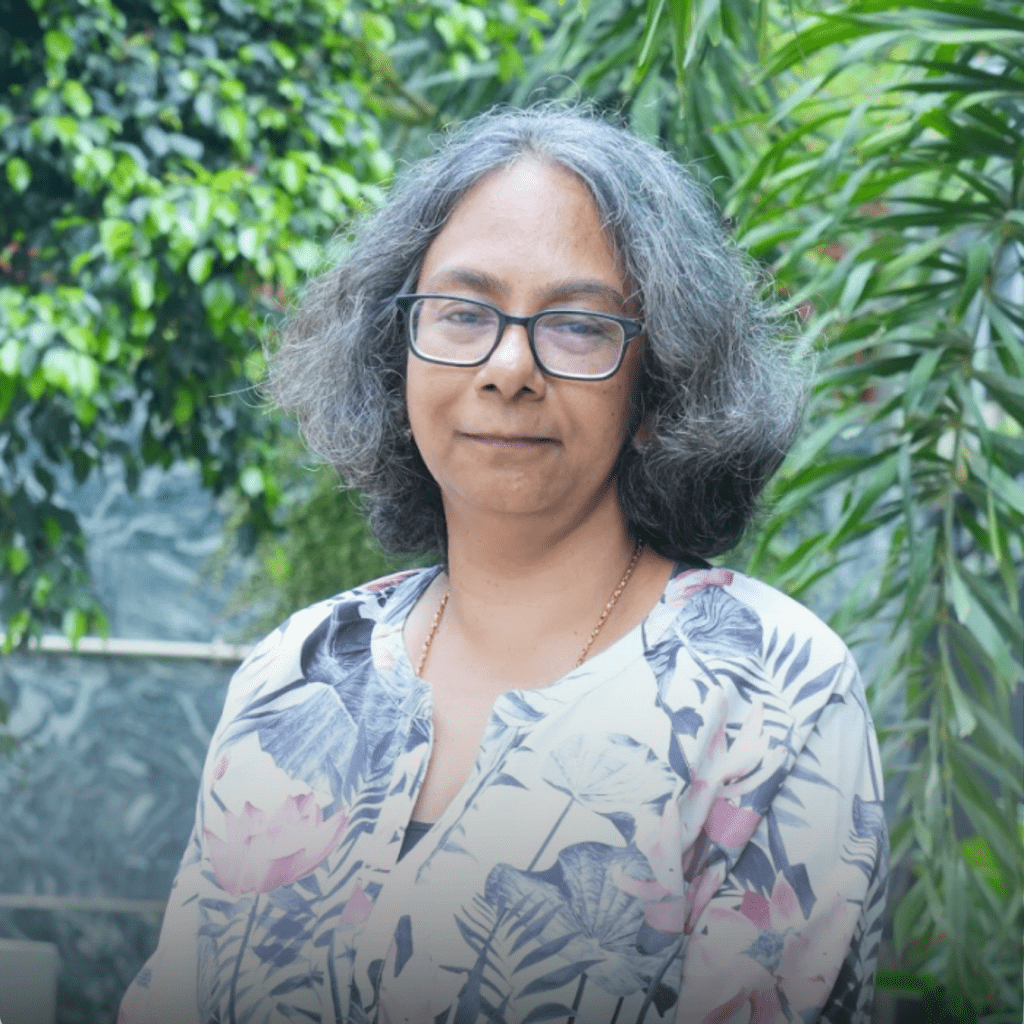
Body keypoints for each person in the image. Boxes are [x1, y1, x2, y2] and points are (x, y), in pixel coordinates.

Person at [120, 106, 888, 1024]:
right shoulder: (297, 673)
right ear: (393, 352)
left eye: (577, 326)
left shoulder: (774, 698)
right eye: (461, 312)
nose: (508, 366)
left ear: (661, 386)